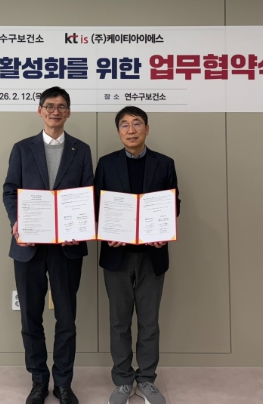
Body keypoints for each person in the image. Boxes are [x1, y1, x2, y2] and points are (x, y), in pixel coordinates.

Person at [3, 86, 94, 404]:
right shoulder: (22, 148)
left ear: (69, 112)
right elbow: (10, 190)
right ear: (39, 110)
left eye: (62, 106)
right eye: (50, 106)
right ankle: (39, 381)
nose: (56, 111)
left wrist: (80, 227)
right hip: (29, 245)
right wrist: (17, 221)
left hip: (67, 247)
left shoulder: (81, 150)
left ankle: (64, 383)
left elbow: (87, 193)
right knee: (30, 317)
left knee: (66, 318)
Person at [95, 106, 181, 404]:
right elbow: (96, 205)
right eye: (124, 125)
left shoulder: (164, 163)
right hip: (116, 256)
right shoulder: (106, 164)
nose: (131, 130)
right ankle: (122, 379)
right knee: (119, 321)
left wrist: (163, 230)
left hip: (151, 256)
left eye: (136, 123)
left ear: (147, 128)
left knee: (149, 322)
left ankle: (146, 379)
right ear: (118, 131)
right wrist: (105, 231)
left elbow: (173, 203)